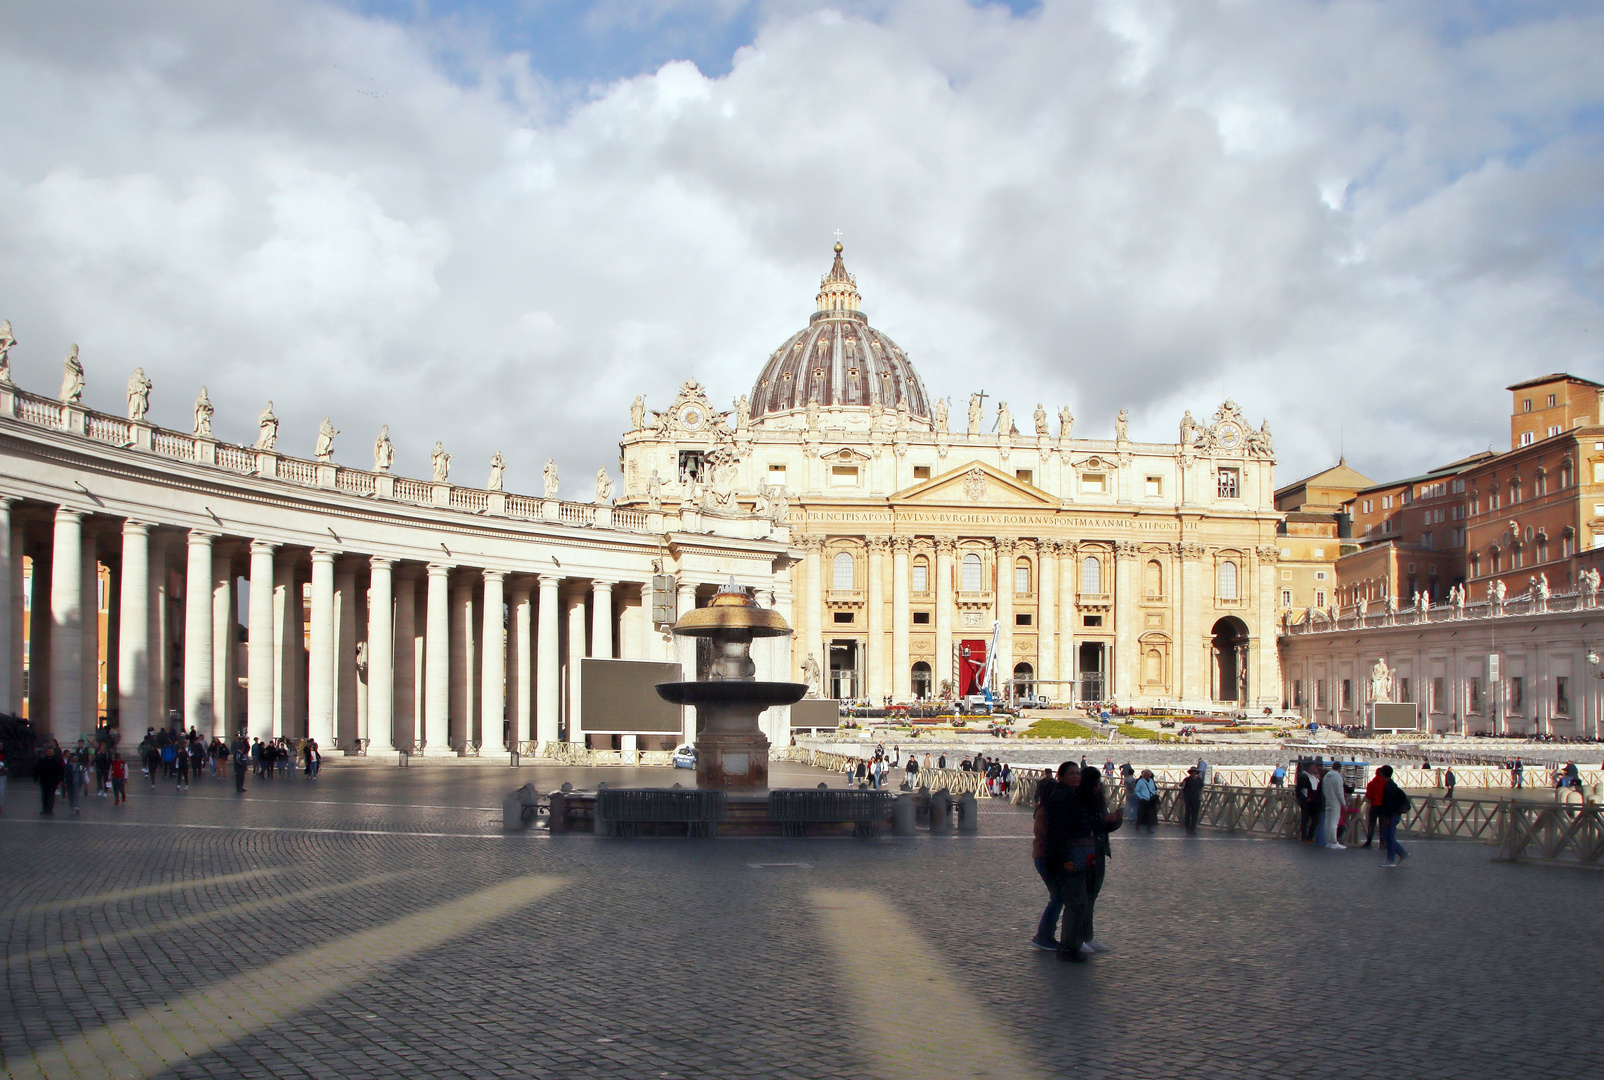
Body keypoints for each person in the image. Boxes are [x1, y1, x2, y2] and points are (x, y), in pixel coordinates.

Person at [1041, 762, 1095, 962]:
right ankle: (1068, 948)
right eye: (1072, 774)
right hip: (1068, 858)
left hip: (1073, 856)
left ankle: (1071, 945)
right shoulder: (1061, 797)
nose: (1076, 777)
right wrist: (1065, 859)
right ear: (1061, 776)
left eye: (1078, 774)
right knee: (1075, 903)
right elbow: (1058, 831)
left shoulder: (1072, 795)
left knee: (1077, 902)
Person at [1077, 767, 1121, 953]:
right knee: (1081, 898)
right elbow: (1090, 825)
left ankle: (1088, 936)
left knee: (1092, 896)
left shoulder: (1098, 800)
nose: (1099, 787)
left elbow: (1102, 825)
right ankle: (1077, 938)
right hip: (1085, 851)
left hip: (1099, 849)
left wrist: (1113, 820)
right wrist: (1107, 821)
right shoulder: (1080, 801)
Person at [1029, 775, 1061, 951]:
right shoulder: (1046, 812)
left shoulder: (1042, 809)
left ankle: (1046, 934)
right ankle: (1044, 935)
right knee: (1058, 897)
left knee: (1058, 896)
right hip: (1046, 857)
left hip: (1042, 856)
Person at [1377, 765, 1411, 866]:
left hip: (1390, 815)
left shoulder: (1388, 787)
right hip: (1394, 814)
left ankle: (1391, 859)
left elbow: (1389, 804)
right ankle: (1402, 853)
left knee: (1388, 837)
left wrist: (1386, 816)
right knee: (1388, 836)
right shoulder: (1392, 785)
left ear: (1382, 774)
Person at [1320, 762, 1347, 849]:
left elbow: (1323, 789)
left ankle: (1329, 841)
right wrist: (1344, 803)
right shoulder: (1338, 777)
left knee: (1327, 821)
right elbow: (1340, 792)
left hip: (1328, 800)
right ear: (1339, 768)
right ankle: (1334, 841)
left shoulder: (1326, 776)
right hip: (1335, 801)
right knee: (1334, 822)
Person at [1361, 768, 1386, 848]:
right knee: (1383, 825)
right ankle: (1382, 843)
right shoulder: (1385, 783)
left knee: (1372, 824)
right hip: (1383, 806)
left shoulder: (1371, 784)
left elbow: (1369, 795)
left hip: (1374, 805)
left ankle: (1369, 842)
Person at [36, 746, 65, 815]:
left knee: (51, 795)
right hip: (44, 780)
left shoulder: (57, 760)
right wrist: (35, 779)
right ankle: (44, 809)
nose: (50, 753)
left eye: (51, 752)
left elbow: (61, 770)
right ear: (46, 752)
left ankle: (50, 809)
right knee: (44, 795)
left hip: (53, 780)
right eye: (49, 752)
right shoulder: (42, 760)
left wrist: (61, 779)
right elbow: (37, 770)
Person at [1295, 763, 1318, 843]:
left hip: (1313, 801)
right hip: (1306, 801)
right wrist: (1303, 798)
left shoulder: (1314, 777)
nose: (1316, 769)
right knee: (1305, 819)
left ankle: (1310, 836)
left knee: (1315, 819)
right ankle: (1304, 837)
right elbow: (1299, 789)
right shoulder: (1303, 777)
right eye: (1314, 767)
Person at [1180, 766, 1203, 834]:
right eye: (1192, 772)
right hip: (1188, 797)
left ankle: (1193, 828)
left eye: (1194, 772)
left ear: (1196, 773)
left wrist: (1201, 795)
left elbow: (1202, 788)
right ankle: (1187, 827)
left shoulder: (1199, 780)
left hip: (1196, 798)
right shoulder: (1187, 779)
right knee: (1188, 812)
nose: (1193, 773)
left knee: (1195, 813)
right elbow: (1181, 785)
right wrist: (1183, 784)